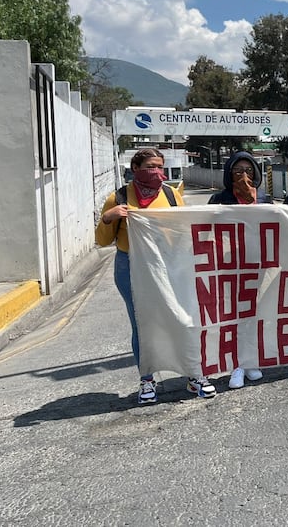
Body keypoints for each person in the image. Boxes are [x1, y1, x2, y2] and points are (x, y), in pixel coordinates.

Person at [96, 148, 216, 403]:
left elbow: (185, 228)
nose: (157, 172)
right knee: (142, 324)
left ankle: (193, 374)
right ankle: (147, 379)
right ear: (136, 168)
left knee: (182, 318)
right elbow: (103, 240)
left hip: (169, 264)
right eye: (151, 166)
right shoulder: (119, 197)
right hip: (131, 265)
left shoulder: (171, 195)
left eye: (160, 166)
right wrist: (108, 219)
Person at [207, 151, 271, 388]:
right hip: (229, 266)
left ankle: (249, 360)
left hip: (257, 264)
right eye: (238, 171)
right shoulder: (219, 199)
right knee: (233, 315)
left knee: (254, 313)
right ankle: (236, 364)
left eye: (248, 171)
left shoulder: (263, 198)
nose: (244, 175)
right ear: (229, 174)